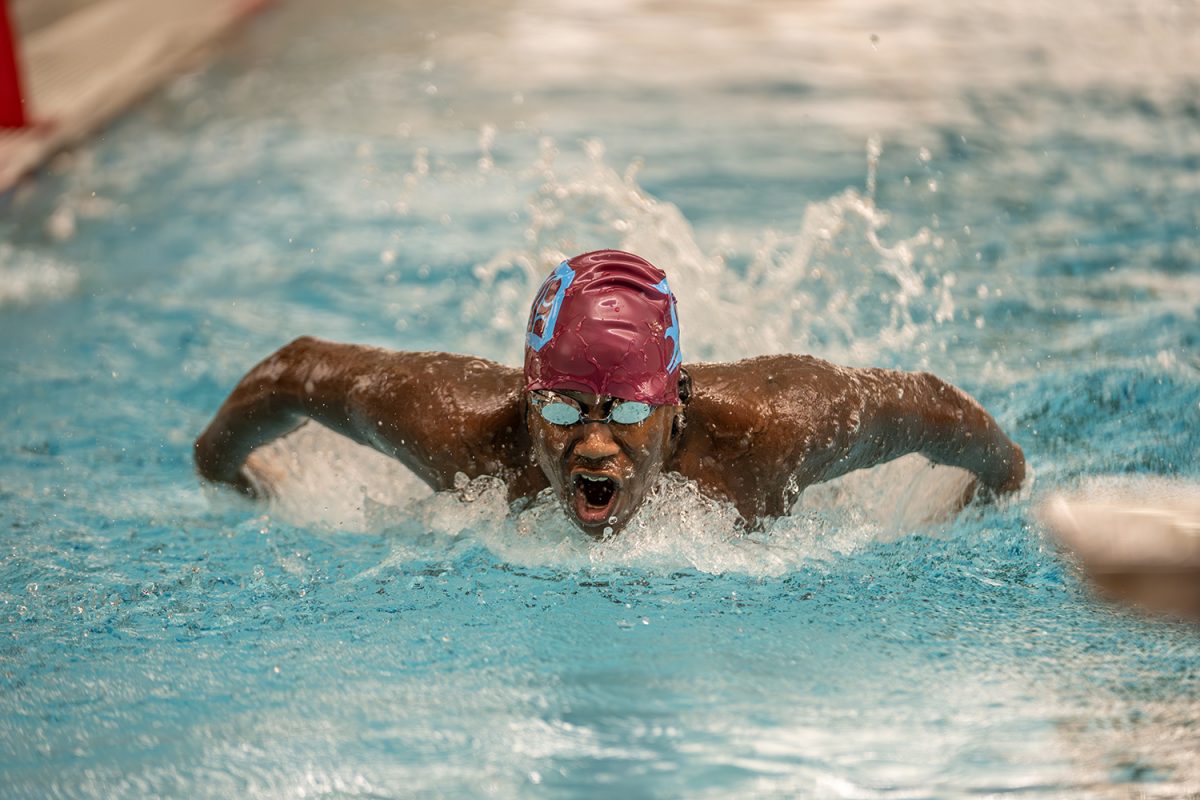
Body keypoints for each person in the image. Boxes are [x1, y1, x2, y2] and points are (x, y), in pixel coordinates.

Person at [195, 249, 1025, 537]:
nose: (593, 444)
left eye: (626, 413)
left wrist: (996, 489)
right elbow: (295, 371)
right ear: (526, 399)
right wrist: (222, 472)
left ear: (673, 407)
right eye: (562, 409)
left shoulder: (774, 432)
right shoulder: (455, 430)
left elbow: (934, 408)